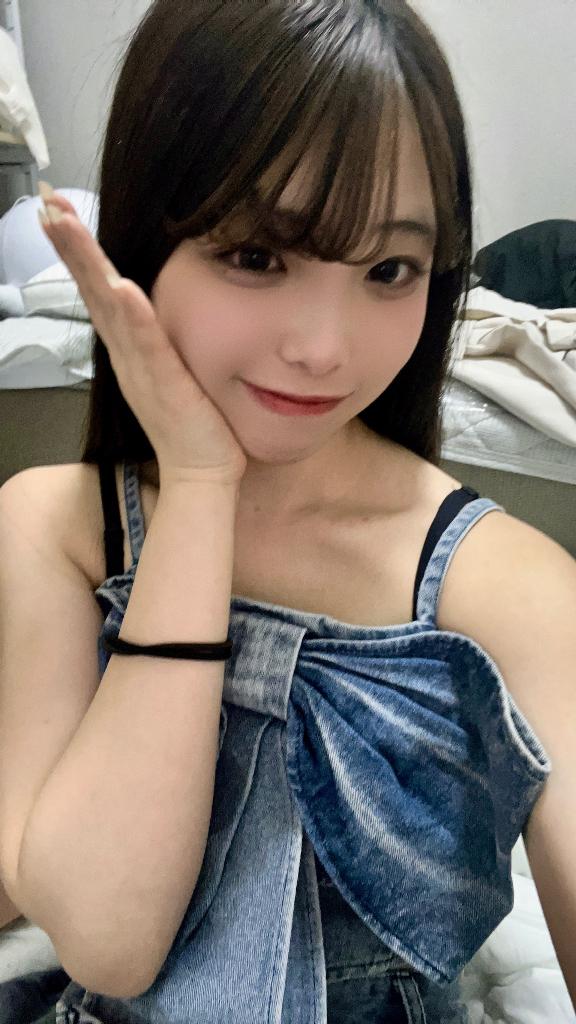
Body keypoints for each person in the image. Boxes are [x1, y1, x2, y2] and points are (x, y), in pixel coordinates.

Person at [0, 1, 574, 1022]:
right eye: (258, 256)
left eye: (389, 270)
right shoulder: (53, 528)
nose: (323, 348)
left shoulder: (508, 584)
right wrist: (198, 490)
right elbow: (108, 940)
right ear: (142, 244)